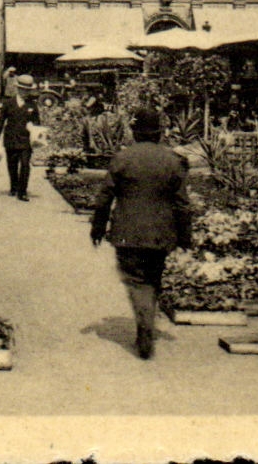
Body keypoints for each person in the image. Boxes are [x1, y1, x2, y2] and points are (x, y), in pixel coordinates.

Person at [90, 106, 192, 360]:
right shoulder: (172, 161)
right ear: (159, 133)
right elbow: (182, 204)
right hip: (160, 233)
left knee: (136, 279)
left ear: (135, 132)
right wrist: (185, 237)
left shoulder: (122, 159)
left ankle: (144, 325)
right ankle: (146, 320)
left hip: (127, 233)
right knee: (153, 277)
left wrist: (98, 228)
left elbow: (104, 198)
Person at [0, 74, 41, 200]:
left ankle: (22, 191)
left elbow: (37, 123)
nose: (26, 92)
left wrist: (34, 128)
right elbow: (1, 121)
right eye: (23, 89)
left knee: (25, 165)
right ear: (18, 89)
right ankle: (14, 187)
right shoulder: (8, 103)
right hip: (11, 139)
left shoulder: (32, 105)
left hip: (26, 140)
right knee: (12, 165)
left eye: (28, 90)